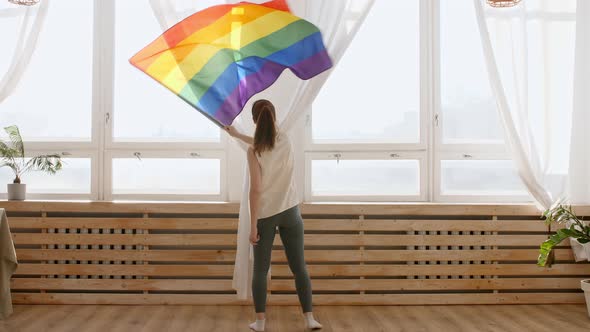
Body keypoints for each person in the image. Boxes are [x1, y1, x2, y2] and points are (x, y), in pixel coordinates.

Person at [225, 99, 322, 332]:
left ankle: (260, 322)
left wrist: (253, 226)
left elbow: (256, 189)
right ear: (274, 117)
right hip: (290, 212)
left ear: (255, 120)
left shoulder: (253, 151)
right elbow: (265, 143)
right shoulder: (285, 141)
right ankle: (309, 318)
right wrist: (237, 134)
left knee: (260, 268)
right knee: (299, 267)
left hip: (267, 215)